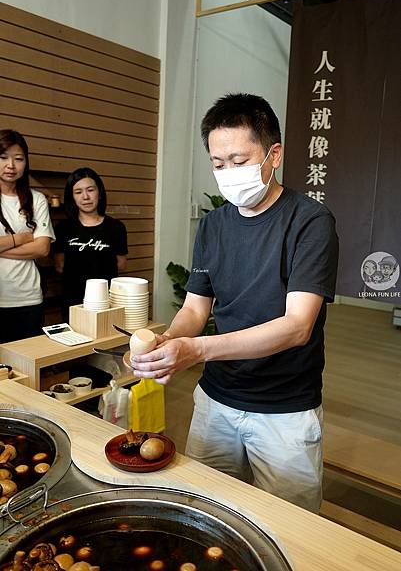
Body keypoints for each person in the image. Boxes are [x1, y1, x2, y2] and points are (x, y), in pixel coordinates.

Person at [131, 93, 339, 513]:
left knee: (287, 529)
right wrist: (169, 342)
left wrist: (195, 350)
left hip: (284, 410)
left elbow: (297, 326)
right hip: (216, 401)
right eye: (218, 164)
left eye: (239, 161)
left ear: (274, 155)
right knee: (206, 513)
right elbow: (195, 309)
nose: (228, 174)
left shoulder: (310, 222)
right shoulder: (213, 225)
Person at [0, 129, 55, 343]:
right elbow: (33, 244)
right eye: (3, 157)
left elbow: (42, 248)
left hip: (29, 298)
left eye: (18, 158)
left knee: (27, 359)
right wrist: (20, 239)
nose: (10, 165)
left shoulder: (36, 199)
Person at [53, 167, 128, 318]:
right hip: (72, 301)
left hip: (106, 301)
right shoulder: (63, 228)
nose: (85, 197)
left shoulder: (116, 227)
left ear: (99, 192)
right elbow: (60, 265)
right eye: (78, 192)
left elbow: (121, 264)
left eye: (90, 190)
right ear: (72, 197)